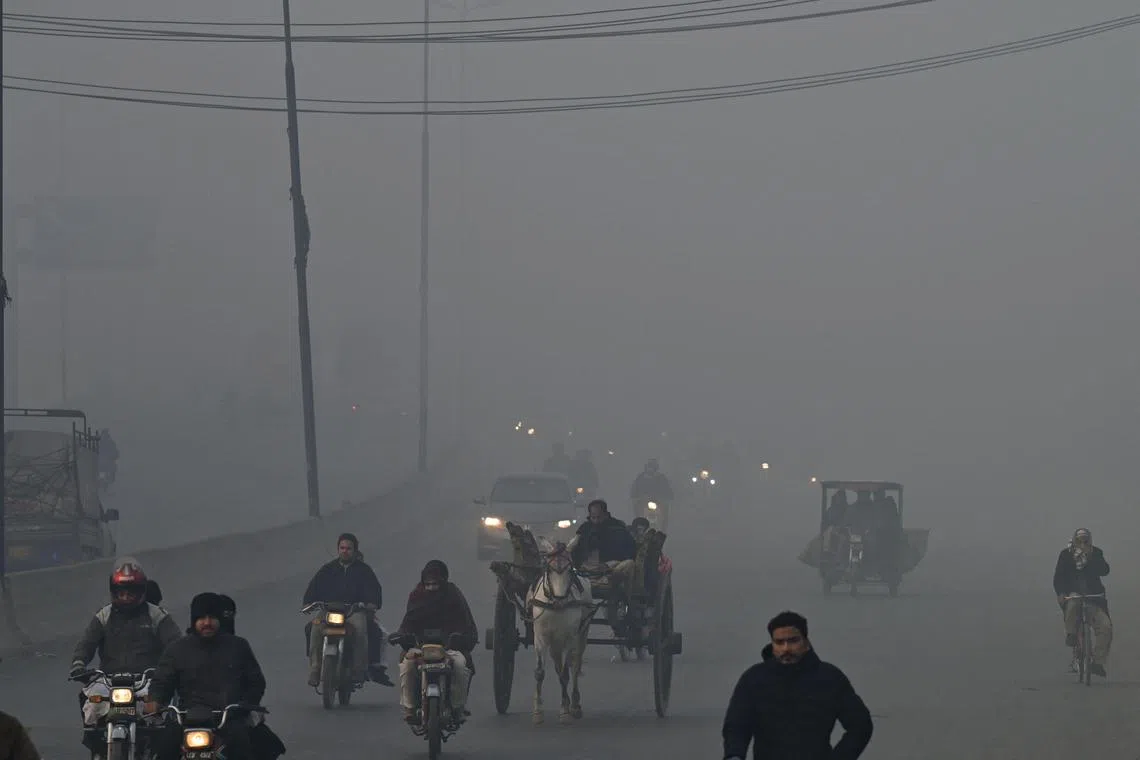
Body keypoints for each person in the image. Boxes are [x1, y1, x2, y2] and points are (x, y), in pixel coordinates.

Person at [722, 611, 873, 760]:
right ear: (772, 643)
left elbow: (860, 725)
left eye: (793, 640)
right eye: (779, 642)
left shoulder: (829, 678)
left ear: (806, 641)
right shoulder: (754, 679)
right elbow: (737, 725)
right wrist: (734, 755)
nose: (786, 648)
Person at [69, 559, 181, 757]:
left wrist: (169, 670)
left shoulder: (157, 615)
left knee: (160, 717)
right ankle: (95, 742)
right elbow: (86, 644)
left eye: (131, 592)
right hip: (108, 681)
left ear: (142, 591)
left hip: (146, 681)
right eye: (121, 591)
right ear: (114, 591)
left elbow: (176, 646)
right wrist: (79, 665)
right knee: (90, 701)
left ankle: (153, 748)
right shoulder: (104, 615)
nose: (126, 596)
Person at [148, 593, 268, 760]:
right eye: (201, 618)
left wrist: (244, 706)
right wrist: (155, 701)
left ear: (219, 619)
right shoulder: (178, 649)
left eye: (212, 617)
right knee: (164, 750)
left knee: (244, 749)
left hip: (227, 719)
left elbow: (256, 682)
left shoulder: (238, 646)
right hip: (187, 718)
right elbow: (161, 681)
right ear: (193, 620)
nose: (207, 623)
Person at [389, 560, 479, 725]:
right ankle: (409, 707)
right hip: (420, 647)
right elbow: (408, 622)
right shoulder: (416, 595)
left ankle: (458, 707)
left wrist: (460, 637)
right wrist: (402, 636)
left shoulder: (453, 595)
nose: (431, 588)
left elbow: (465, 623)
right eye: (428, 584)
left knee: (460, 665)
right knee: (407, 665)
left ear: (443, 582)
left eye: (435, 584)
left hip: (450, 647)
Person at [301, 532, 383, 687]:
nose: (345, 551)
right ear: (338, 549)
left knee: (360, 629)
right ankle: (315, 668)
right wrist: (308, 603)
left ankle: (358, 670)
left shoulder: (364, 570)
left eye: (349, 548)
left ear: (355, 550)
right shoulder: (328, 569)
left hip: (353, 611)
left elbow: (374, 592)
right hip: (329, 611)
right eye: (342, 548)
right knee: (315, 628)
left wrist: (370, 603)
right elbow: (313, 587)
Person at [1053, 528, 1112, 677]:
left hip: (1093, 597)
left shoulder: (1096, 553)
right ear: (1074, 540)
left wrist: (1090, 556)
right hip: (1074, 594)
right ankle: (1072, 635)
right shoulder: (1066, 555)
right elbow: (1058, 576)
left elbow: (1104, 570)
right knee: (1073, 605)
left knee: (1105, 626)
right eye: (1079, 540)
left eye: (1085, 540)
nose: (1082, 543)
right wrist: (1061, 593)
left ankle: (1097, 663)